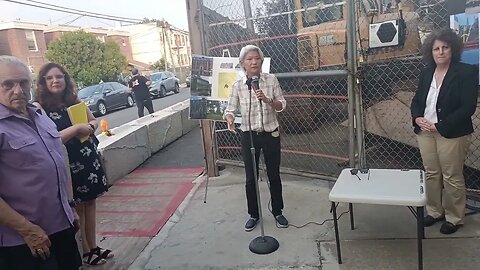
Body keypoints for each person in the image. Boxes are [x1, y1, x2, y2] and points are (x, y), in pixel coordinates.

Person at [0, 55, 82, 269]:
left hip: (62, 226)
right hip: (26, 240)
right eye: (8, 84)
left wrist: (70, 207)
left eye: (23, 83)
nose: (17, 90)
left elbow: (55, 165)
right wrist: (28, 231)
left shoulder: (38, 114)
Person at [34, 63, 113, 265]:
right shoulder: (39, 107)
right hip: (66, 164)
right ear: (43, 82)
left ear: (65, 79)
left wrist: (88, 126)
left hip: (87, 158)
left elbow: (94, 121)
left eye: (59, 77)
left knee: (90, 203)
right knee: (77, 208)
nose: (55, 81)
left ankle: (93, 246)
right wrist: (77, 128)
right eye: (49, 78)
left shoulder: (73, 100)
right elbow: (50, 138)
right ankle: (85, 251)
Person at [411, 28, 478, 234]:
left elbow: (468, 108)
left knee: (451, 175)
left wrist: (440, 126)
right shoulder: (426, 72)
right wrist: (417, 117)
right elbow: (417, 100)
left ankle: (454, 217)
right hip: (425, 132)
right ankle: (434, 211)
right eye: (436, 48)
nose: (440, 52)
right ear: (430, 52)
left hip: (451, 132)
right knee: (431, 174)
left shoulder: (466, 72)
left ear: (453, 49)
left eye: (445, 48)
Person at [224, 45, 288, 231]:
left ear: (261, 61)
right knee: (251, 178)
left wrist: (268, 100)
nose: (254, 62)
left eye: (257, 58)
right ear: (243, 64)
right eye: (249, 59)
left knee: (274, 174)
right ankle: (254, 214)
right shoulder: (238, 86)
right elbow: (230, 109)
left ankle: (278, 211)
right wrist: (229, 119)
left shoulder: (271, 80)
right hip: (249, 135)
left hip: (270, 133)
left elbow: (282, 105)